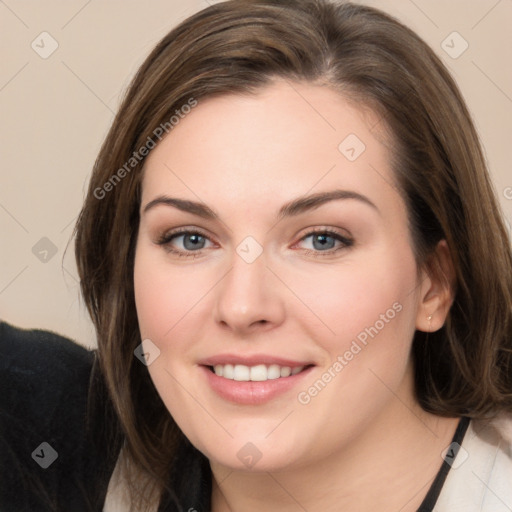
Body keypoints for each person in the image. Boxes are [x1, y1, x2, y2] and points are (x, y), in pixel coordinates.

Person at [2, 0, 512, 511]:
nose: (243, 306)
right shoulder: (48, 446)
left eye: (321, 239)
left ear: (435, 283)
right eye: (190, 239)